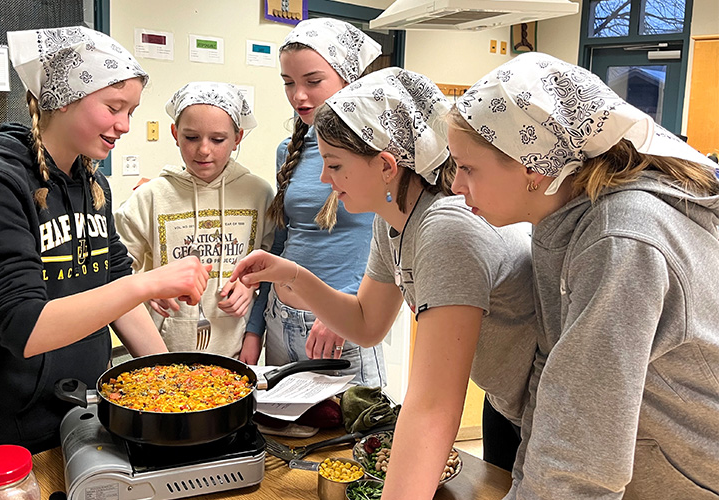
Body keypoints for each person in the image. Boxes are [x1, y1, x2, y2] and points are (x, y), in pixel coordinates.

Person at [0, 26, 210, 482]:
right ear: (62, 99)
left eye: (131, 111)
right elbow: (26, 327)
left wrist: (170, 379)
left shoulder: (92, 183)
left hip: (72, 414)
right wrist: (147, 281)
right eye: (113, 108)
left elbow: (116, 292)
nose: (125, 126)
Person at [232, 67, 538, 500]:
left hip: (543, 413)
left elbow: (434, 407)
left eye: (335, 165)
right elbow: (366, 321)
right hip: (509, 403)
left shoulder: (445, 228)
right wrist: (293, 274)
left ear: (387, 166)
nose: (325, 179)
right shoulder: (393, 216)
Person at [447, 52, 719, 499]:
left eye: (468, 167)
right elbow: (555, 390)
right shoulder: (561, 219)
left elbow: (579, 457)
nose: (457, 186)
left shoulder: (620, 238)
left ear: (533, 168)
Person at [245, 18, 387, 385]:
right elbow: (280, 243)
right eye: (289, 83)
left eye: (313, 81)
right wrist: (255, 327)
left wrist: (348, 311)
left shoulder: (381, 154)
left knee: (351, 436)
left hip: (339, 327)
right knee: (281, 436)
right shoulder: (287, 151)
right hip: (281, 318)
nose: (298, 96)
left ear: (348, 80)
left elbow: (390, 243)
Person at [115, 82, 274, 361]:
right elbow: (115, 268)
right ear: (175, 134)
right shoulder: (150, 197)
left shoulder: (258, 195)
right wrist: (147, 286)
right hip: (163, 351)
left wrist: (251, 286)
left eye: (218, 139)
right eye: (191, 137)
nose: (203, 150)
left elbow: (273, 263)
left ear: (238, 137)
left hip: (235, 350)